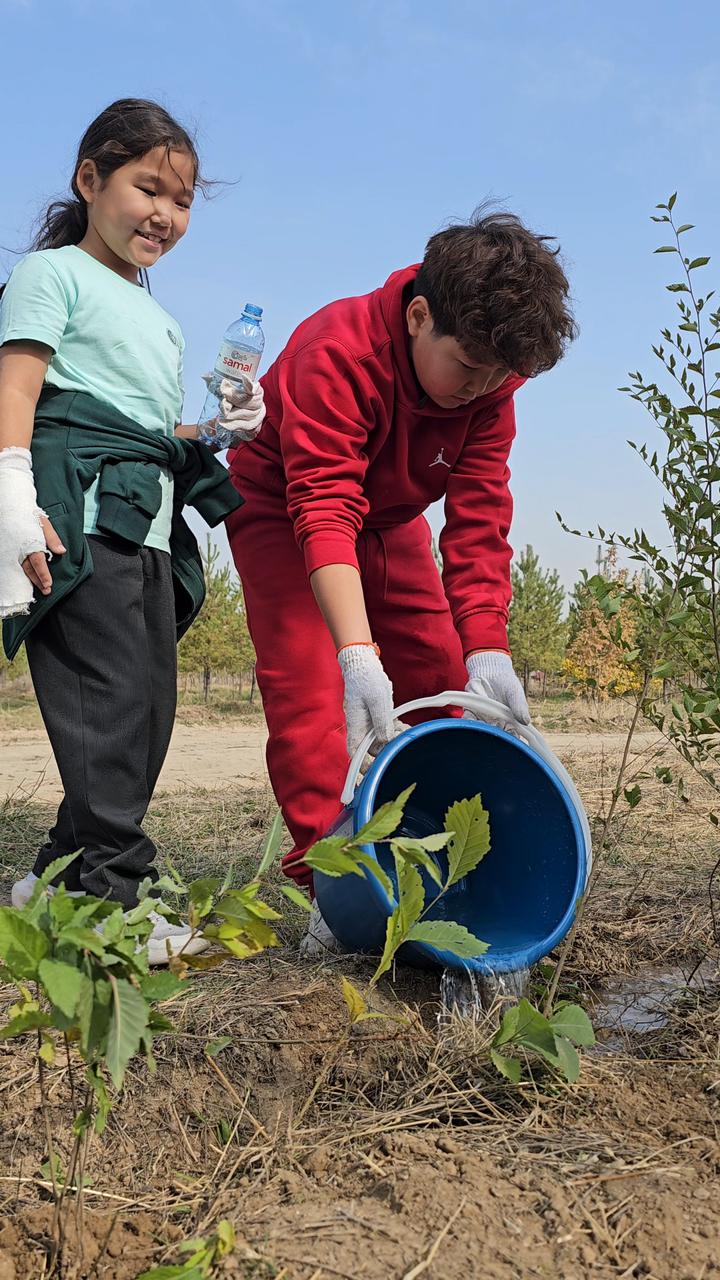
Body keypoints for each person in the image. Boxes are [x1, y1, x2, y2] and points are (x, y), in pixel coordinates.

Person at [225, 210, 576, 951]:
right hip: (285, 505)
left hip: (390, 520)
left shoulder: (490, 385)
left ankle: (448, 866)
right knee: (316, 699)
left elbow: (480, 515)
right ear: (419, 316)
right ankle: (337, 884)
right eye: (469, 368)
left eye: (499, 378)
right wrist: (355, 652)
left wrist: (488, 648)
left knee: (441, 676)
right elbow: (323, 503)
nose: (480, 390)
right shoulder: (338, 348)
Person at [0, 98, 264, 964]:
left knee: (144, 718)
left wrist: (214, 432)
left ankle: (54, 880)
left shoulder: (160, 316)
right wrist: (9, 488)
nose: (164, 214)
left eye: (181, 201)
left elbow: (144, 428)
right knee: (107, 714)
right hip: (80, 522)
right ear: (90, 180)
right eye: (147, 187)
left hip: (145, 528)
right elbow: (22, 387)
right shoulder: (52, 274)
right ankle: (116, 907)